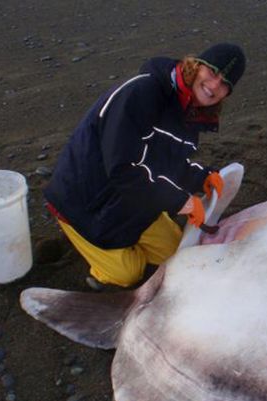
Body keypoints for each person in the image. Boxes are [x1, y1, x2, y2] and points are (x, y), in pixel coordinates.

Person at [43, 43, 246, 290]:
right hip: (86, 202)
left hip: (131, 200)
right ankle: (93, 255)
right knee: (129, 273)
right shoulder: (142, 92)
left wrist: (199, 177)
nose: (214, 85)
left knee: (175, 253)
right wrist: (179, 201)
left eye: (225, 83)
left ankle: (117, 245)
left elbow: (166, 160)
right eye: (213, 73)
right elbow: (122, 168)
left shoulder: (192, 111)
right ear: (197, 65)